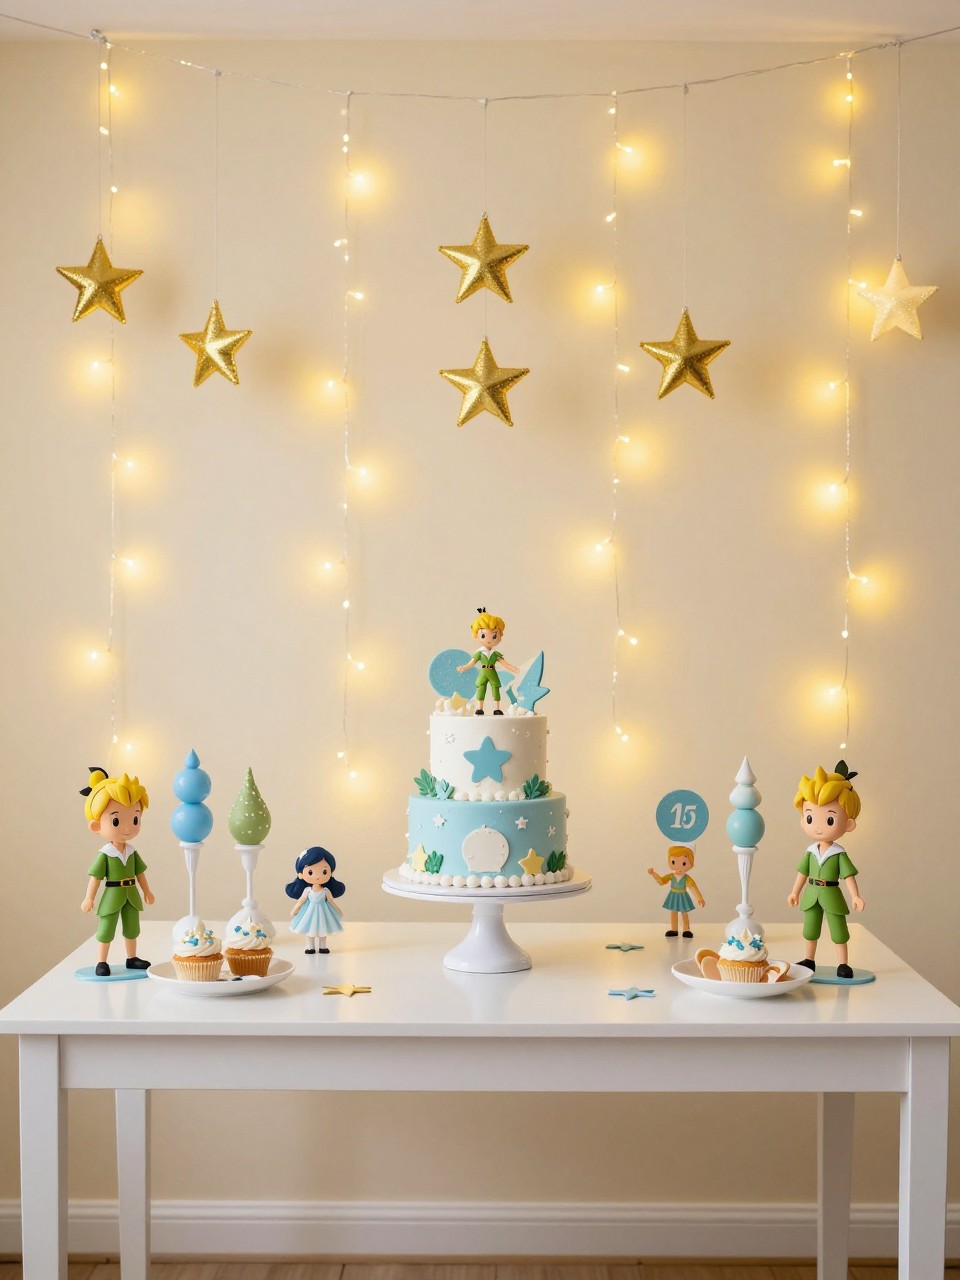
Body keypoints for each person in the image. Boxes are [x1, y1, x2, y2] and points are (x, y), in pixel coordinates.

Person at [787, 760, 863, 979]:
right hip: (811, 894)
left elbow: (848, 875)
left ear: (848, 824)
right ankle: (809, 961)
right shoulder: (810, 851)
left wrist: (855, 896)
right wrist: (795, 891)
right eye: (810, 817)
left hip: (831, 894)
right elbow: (802, 872)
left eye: (829, 819)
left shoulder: (839, 853)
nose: (818, 826)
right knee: (810, 929)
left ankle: (843, 964)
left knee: (838, 930)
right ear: (803, 820)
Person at [80, 766, 155, 976]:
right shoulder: (105, 854)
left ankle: (132, 958)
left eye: (135, 819)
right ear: (96, 826)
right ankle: (101, 962)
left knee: (132, 927)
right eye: (116, 820)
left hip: (131, 894)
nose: (128, 828)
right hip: (112, 895)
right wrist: (89, 898)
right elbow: (95, 878)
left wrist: (147, 891)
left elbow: (140, 873)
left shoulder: (132, 852)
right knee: (107, 928)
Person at [456, 608, 519, 715]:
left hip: (492, 672)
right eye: (483, 635)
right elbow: (472, 662)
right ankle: (479, 708)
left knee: (496, 688)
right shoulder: (479, 653)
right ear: (476, 636)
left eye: (494, 636)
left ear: (500, 636)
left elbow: (504, 663)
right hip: (483, 673)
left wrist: (512, 668)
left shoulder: (495, 653)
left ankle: (497, 709)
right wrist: (464, 667)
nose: (489, 640)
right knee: (481, 688)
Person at [286, 846, 345, 954]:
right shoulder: (308, 891)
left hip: (324, 913)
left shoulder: (326, 890)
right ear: (300, 874)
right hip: (310, 913)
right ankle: (310, 947)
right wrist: (295, 910)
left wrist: (338, 911)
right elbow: (301, 901)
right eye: (310, 872)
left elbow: (331, 901)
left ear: (330, 873)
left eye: (324, 871)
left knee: (323, 930)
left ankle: (323, 946)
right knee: (310, 930)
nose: (317, 876)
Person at [647, 845, 705, 937]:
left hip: (683, 895)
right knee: (673, 912)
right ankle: (674, 929)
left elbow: (693, 887)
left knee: (684, 912)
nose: (679, 867)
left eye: (684, 863)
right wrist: (653, 874)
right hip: (673, 895)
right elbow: (661, 881)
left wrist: (699, 898)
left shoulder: (686, 878)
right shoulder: (671, 876)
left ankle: (686, 929)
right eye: (673, 862)